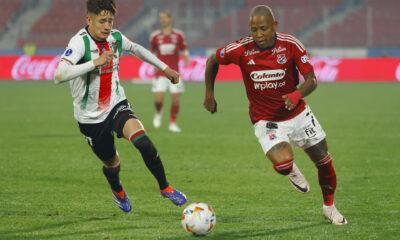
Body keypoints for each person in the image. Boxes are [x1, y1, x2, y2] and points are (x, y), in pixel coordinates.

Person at [203, 5, 347, 225]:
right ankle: (290, 169)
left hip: (299, 115)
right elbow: (213, 60)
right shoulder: (240, 49)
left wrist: (297, 94)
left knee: (324, 162)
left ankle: (330, 208)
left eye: (263, 28)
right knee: (282, 164)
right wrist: (209, 95)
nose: (258, 35)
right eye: (254, 30)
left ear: (274, 26)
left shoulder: (291, 44)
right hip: (267, 120)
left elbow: (312, 80)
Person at [54, 0, 186, 213]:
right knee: (112, 163)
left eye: (110, 20)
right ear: (89, 20)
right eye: (102, 21)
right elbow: (58, 75)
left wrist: (164, 68)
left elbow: (137, 49)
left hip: (116, 104)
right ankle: (117, 189)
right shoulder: (79, 43)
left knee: (144, 143)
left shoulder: (115, 37)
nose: (107, 26)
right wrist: (94, 63)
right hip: (90, 119)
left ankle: (165, 187)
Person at [149, 11, 190, 133]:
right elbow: (151, 52)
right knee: (159, 100)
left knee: (176, 100)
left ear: (170, 19)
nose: (163, 20)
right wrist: (153, 63)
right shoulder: (155, 36)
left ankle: (172, 123)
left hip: (174, 73)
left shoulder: (178, 35)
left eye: (165, 18)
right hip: (160, 73)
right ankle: (158, 112)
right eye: (161, 18)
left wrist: (186, 56)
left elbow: (184, 48)